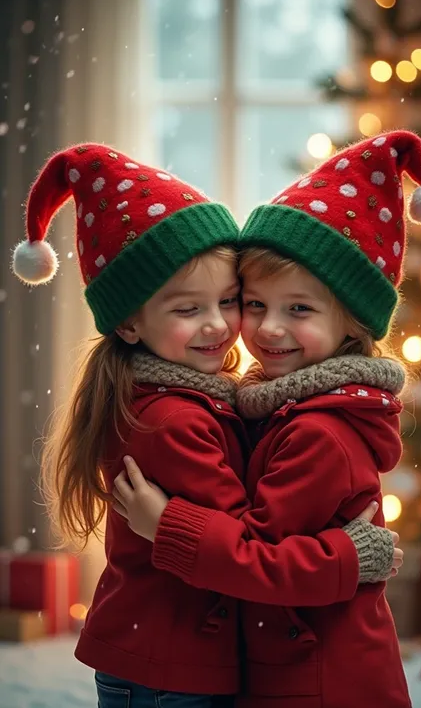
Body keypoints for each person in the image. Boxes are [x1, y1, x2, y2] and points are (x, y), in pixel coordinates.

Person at [13, 143, 400, 708]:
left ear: (352, 321)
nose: (224, 325)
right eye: (188, 308)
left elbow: (253, 553)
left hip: (204, 660)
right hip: (172, 663)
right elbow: (251, 554)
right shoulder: (175, 419)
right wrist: (344, 555)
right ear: (127, 323)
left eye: (227, 300)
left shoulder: (279, 418)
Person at [113, 131, 421, 708]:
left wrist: (165, 525)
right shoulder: (270, 405)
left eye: (298, 309)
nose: (267, 329)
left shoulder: (317, 431)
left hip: (320, 680)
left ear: (352, 324)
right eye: (254, 304)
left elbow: (260, 563)